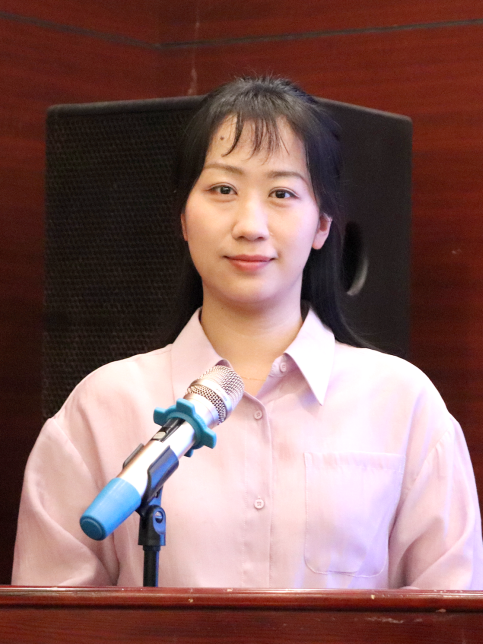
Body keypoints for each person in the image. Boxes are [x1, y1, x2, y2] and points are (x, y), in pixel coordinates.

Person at [12, 77, 483, 589]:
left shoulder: (403, 405)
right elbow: (50, 617)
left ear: (322, 225)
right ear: (183, 218)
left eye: (282, 193)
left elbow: (450, 611)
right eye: (223, 190)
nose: (249, 224)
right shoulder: (101, 409)